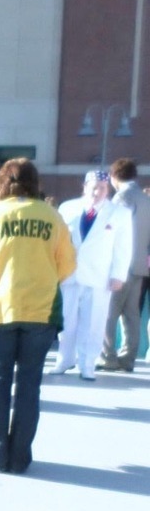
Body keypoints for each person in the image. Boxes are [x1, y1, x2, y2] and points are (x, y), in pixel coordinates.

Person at [0, 158, 76, 473]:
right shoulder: (52, 216)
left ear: (2, 183)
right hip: (40, 309)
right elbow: (68, 266)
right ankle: (20, 456)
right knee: (29, 384)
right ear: (35, 182)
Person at [51, 170, 132, 379]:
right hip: (69, 274)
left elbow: (123, 247)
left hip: (100, 276)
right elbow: (58, 242)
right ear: (85, 187)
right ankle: (64, 359)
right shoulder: (68, 208)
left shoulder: (119, 213)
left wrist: (118, 275)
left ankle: (87, 364)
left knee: (94, 321)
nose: (97, 192)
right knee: (66, 320)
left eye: (102, 188)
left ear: (108, 189)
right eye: (93, 187)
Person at [98, 158, 150, 372]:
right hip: (140, 264)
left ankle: (108, 356)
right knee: (132, 314)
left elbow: (114, 230)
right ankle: (128, 357)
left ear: (113, 176)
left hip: (121, 265)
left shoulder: (122, 197)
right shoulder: (145, 199)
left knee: (109, 313)